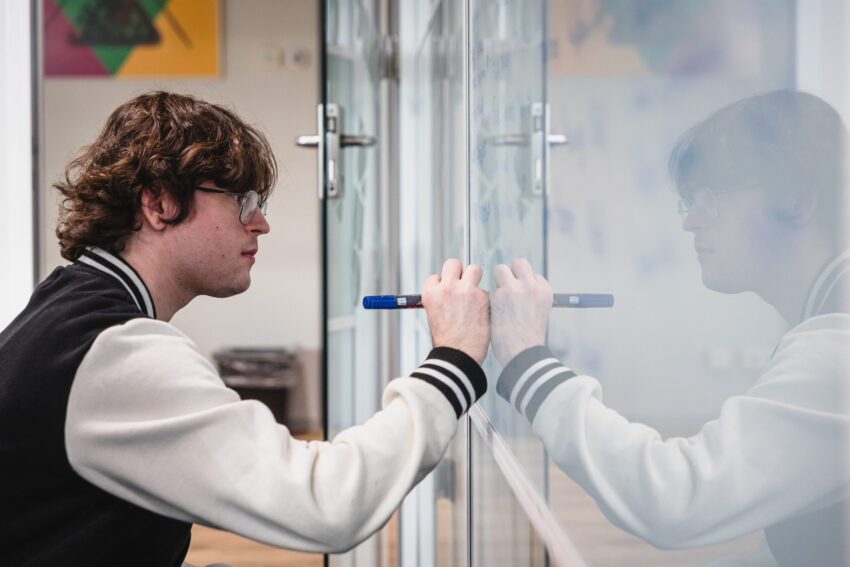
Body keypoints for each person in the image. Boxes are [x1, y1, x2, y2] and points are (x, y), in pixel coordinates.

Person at [0, 91, 490, 566]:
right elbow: (328, 504)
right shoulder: (114, 353)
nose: (259, 223)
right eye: (241, 200)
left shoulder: (69, 304)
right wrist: (455, 356)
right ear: (159, 203)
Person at [490, 90, 850, 565]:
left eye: (711, 199)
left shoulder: (837, 350)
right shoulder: (824, 317)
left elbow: (677, 496)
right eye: (690, 201)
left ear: (799, 200)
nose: (692, 222)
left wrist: (527, 359)